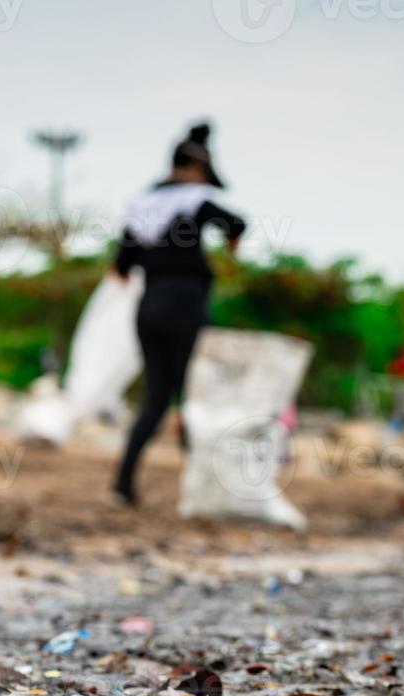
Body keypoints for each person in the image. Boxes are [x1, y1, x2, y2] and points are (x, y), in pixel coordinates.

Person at [111, 122, 246, 507]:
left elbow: (121, 267)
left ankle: (122, 483)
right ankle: (199, 489)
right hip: (187, 306)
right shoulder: (194, 199)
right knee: (195, 397)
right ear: (192, 169)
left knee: (155, 399)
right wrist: (231, 246)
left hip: (149, 308)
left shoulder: (141, 207)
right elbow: (236, 224)